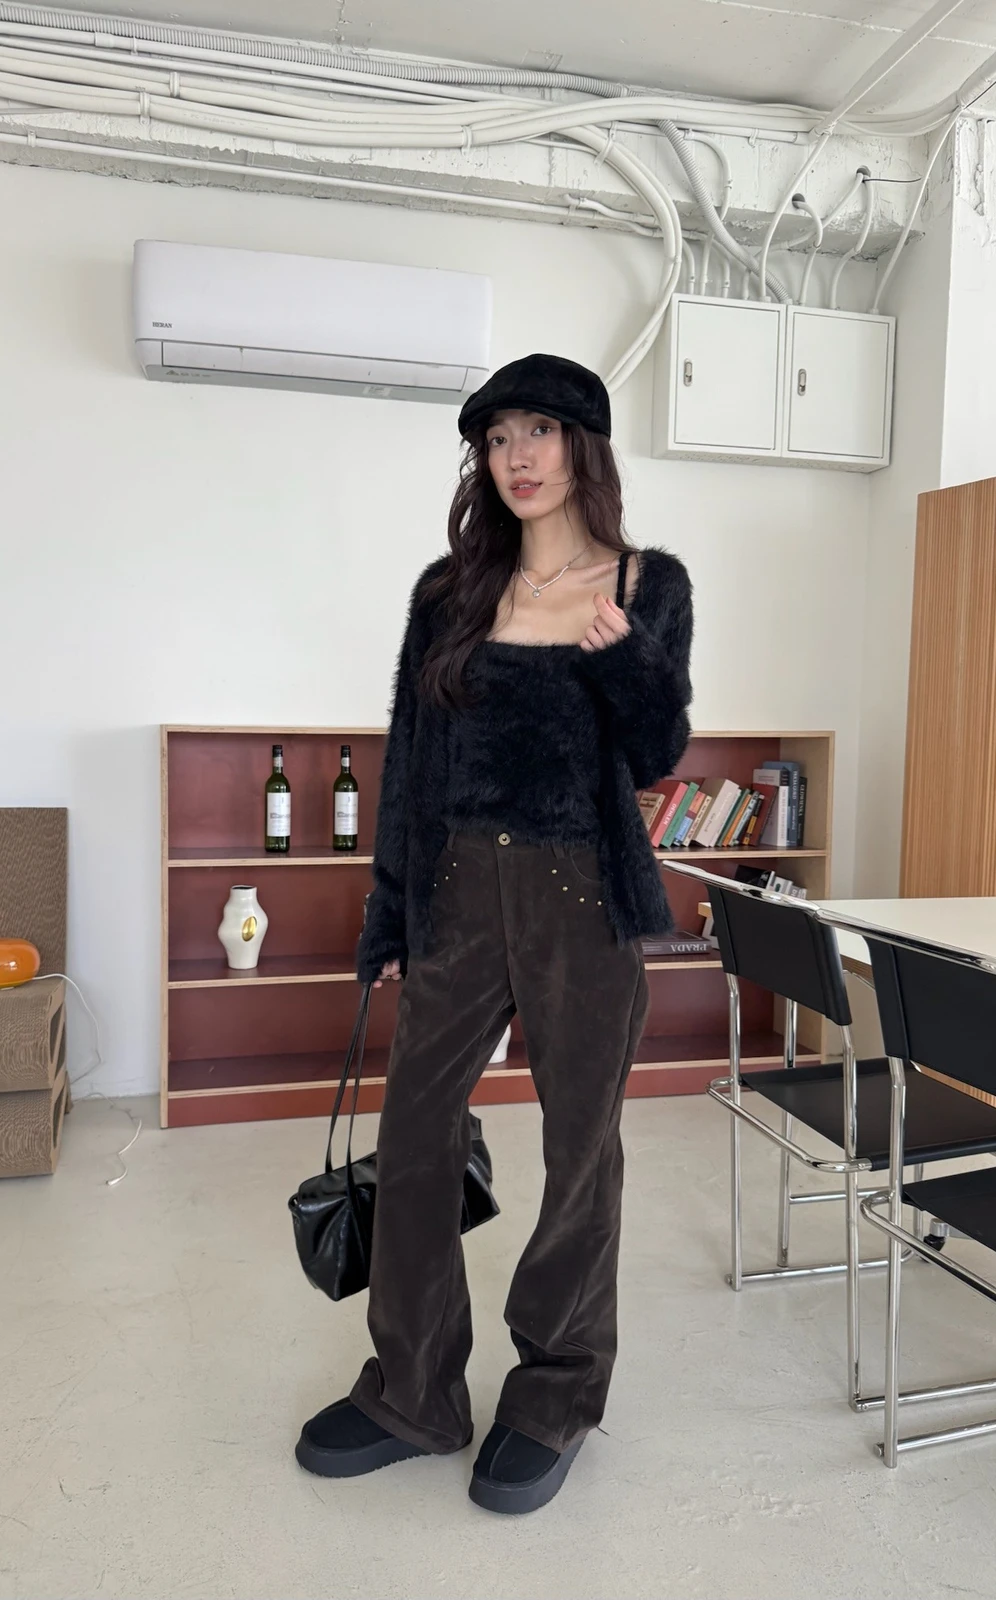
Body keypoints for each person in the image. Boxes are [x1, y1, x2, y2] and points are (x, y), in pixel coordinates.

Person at [295, 352, 694, 1513]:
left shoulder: (647, 582)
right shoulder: (450, 593)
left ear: (583, 445)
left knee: (581, 1151)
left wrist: (624, 657)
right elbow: (411, 763)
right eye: (498, 435)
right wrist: (391, 913)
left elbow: (658, 750)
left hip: (584, 896)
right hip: (459, 888)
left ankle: (556, 1390)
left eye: (540, 431)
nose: (517, 455)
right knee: (415, 1133)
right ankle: (414, 1389)